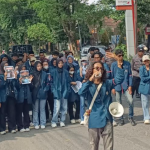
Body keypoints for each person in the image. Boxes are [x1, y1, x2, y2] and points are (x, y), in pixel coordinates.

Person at [78, 53, 125, 150]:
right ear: (92, 70)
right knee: (94, 146)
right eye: (97, 68)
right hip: (94, 119)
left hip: (107, 117)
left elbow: (119, 79)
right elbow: (81, 92)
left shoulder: (107, 83)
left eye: (101, 68)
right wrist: (90, 79)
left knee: (109, 147)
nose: (99, 70)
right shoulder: (88, 84)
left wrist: (119, 62)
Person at [111, 49, 136, 126]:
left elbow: (130, 76)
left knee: (130, 100)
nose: (121, 57)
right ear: (116, 56)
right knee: (119, 102)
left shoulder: (127, 64)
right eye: (119, 56)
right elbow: (112, 77)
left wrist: (130, 86)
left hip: (126, 85)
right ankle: (121, 118)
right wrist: (113, 87)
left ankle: (131, 116)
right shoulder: (113, 65)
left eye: (122, 55)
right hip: (117, 85)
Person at [51, 59, 70, 128]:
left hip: (64, 91)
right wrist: (53, 91)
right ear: (57, 64)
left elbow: (68, 82)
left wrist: (67, 90)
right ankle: (54, 121)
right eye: (59, 63)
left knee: (64, 108)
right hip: (57, 91)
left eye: (61, 63)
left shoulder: (65, 72)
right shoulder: (53, 71)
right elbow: (51, 83)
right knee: (57, 108)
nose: (60, 64)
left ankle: (62, 120)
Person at [0, 61, 18, 134]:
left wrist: (15, 77)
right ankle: (2, 129)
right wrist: (4, 78)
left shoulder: (12, 75)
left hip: (11, 95)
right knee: (2, 113)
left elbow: (16, 86)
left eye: (7, 66)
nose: (6, 67)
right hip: (3, 96)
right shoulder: (0, 75)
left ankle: (12, 127)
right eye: (5, 66)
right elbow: (1, 86)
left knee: (11, 112)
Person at [31, 61, 49, 129]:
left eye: (40, 66)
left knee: (42, 109)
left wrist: (45, 89)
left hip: (43, 93)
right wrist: (30, 82)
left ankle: (42, 123)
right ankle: (36, 123)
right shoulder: (32, 74)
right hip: (35, 93)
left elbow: (48, 83)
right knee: (35, 109)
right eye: (38, 66)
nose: (39, 67)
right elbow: (30, 85)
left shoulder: (44, 73)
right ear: (35, 66)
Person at [16, 64, 33, 132]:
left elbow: (31, 88)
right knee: (19, 112)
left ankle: (27, 125)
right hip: (20, 97)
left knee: (26, 112)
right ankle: (20, 126)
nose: (24, 71)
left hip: (26, 97)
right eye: (22, 69)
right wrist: (19, 82)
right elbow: (16, 87)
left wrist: (30, 81)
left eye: (25, 69)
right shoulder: (17, 76)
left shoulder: (28, 77)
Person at [139, 55, 150, 124]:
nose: (146, 62)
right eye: (145, 61)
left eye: (147, 60)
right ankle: (146, 117)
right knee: (145, 103)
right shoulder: (141, 68)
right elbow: (143, 78)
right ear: (143, 62)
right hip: (144, 88)